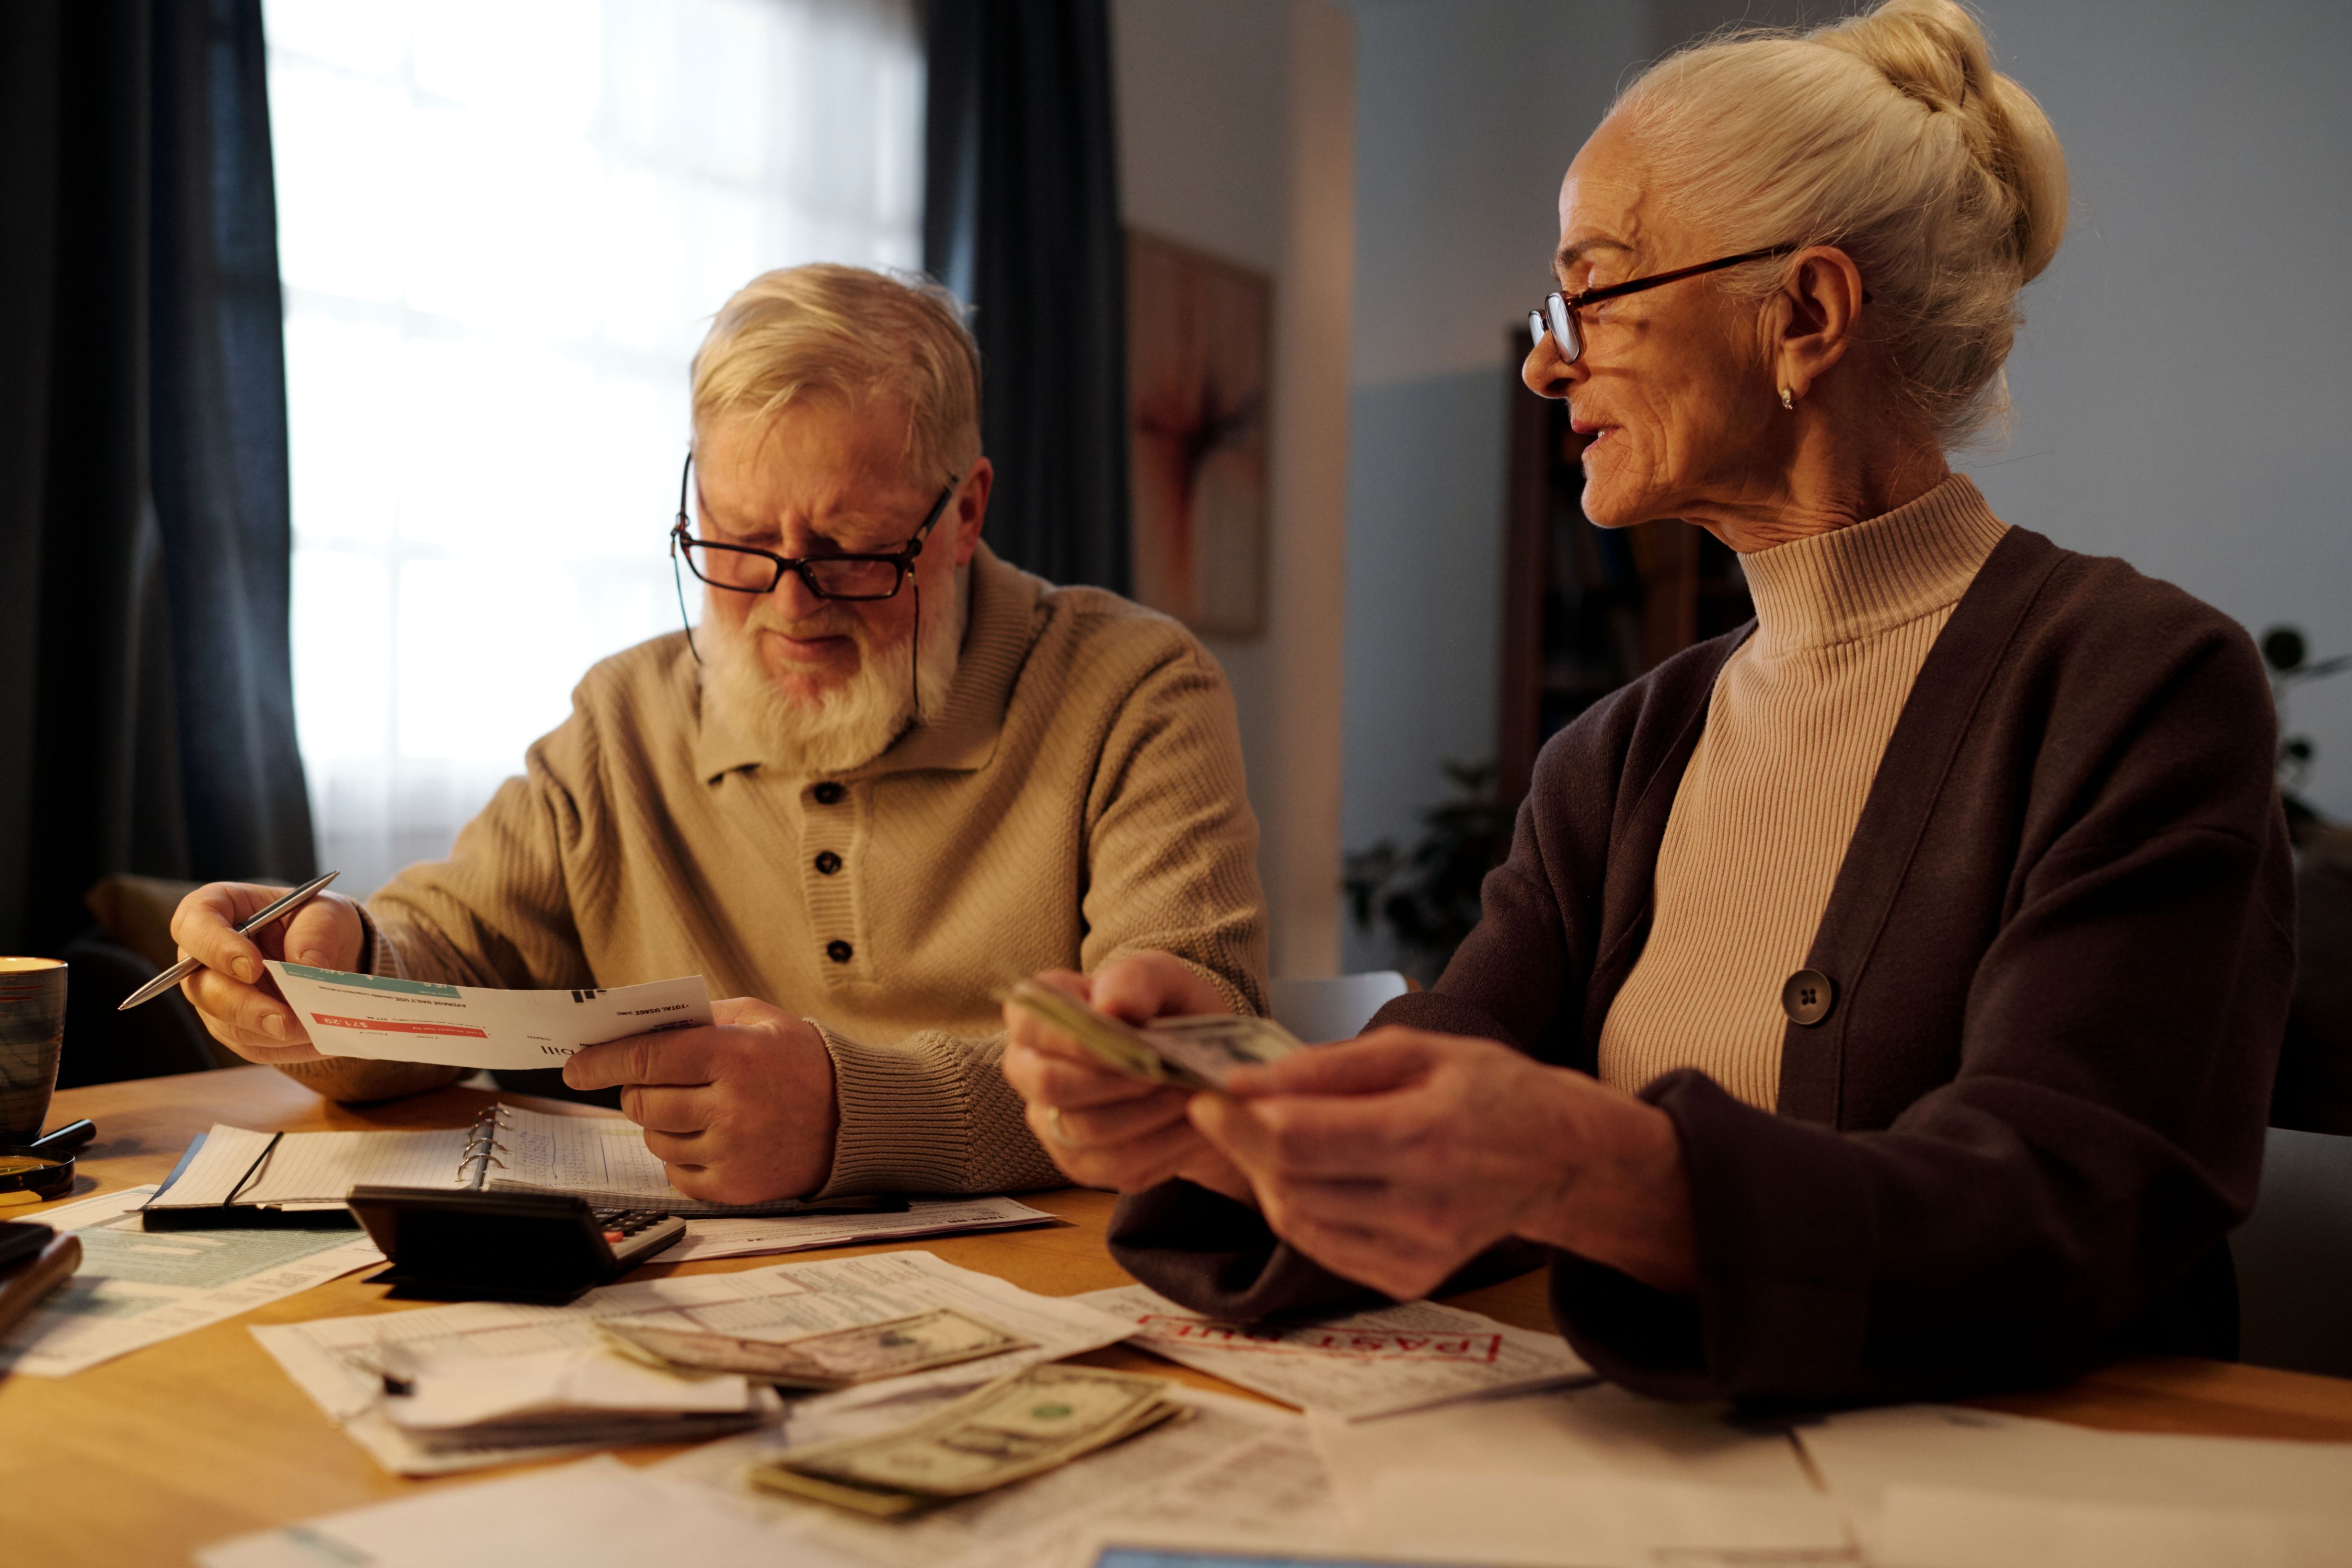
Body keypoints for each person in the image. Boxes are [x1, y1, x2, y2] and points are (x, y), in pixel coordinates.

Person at [1001, 0, 2295, 1405]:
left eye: (1595, 292)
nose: (1542, 361)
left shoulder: (2139, 686)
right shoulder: (1619, 755)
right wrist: (1228, 1120)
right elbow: (1457, 1071)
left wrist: (1597, 1172)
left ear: (1805, 314)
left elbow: (2063, 1201)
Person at [172, 264, 1266, 1207]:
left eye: (851, 550)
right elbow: (449, 957)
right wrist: (334, 974)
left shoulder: (1133, 691)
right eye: (737, 544)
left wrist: (854, 1114)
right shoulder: (623, 721)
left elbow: (1192, 1058)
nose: (792, 607)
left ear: (965, 512)